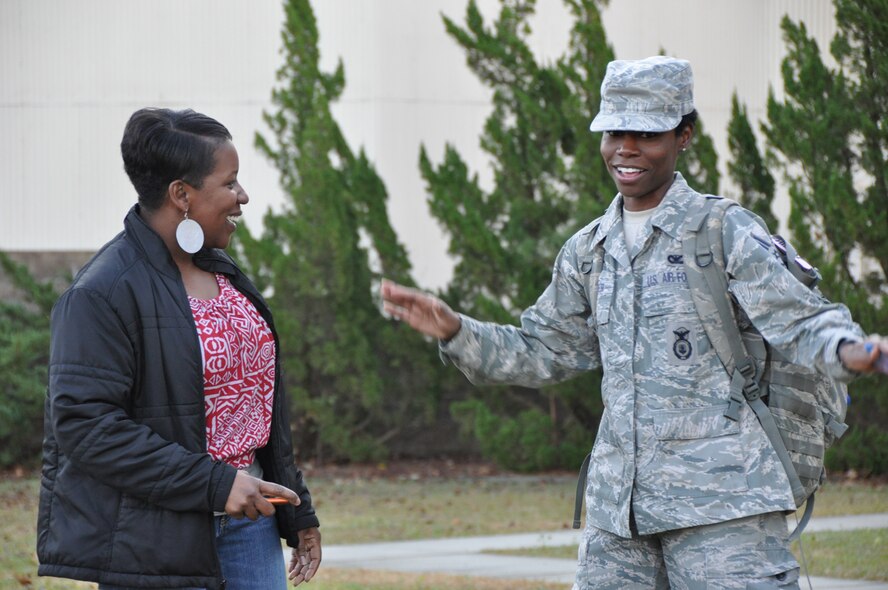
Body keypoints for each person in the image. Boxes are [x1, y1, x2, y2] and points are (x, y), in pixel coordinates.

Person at [381, 56, 888, 589]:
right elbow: (542, 350)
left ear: (683, 135)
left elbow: (802, 319)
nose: (625, 148)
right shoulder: (588, 250)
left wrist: (851, 351)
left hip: (724, 508)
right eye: (613, 131)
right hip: (618, 515)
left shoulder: (722, 231)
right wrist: (455, 330)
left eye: (646, 133)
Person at [37, 108, 322, 590]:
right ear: (181, 195)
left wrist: (297, 509)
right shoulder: (102, 293)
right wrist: (215, 484)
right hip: (155, 543)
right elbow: (87, 428)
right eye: (230, 183)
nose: (243, 196)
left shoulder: (225, 273)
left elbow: (258, 406)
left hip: (252, 527)